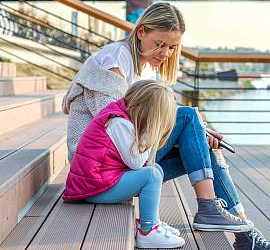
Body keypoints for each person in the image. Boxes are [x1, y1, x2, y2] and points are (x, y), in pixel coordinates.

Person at [62, 1, 270, 249]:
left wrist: (198, 135)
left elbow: (154, 119)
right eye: (159, 44)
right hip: (97, 168)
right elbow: (115, 125)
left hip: (121, 160)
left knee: (202, 142)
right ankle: (211, 209)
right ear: (141, 32)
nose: (165, 53)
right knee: (190, 118)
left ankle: (245, 234)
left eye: (171, 47)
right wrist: (191, 128)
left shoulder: (147, 68)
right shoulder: (114, 62)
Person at [63, 80, 185, 248]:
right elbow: (137, 163)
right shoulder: (119, 123)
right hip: (92, 189)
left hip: (96, 182)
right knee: (151, 174)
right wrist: (150, 132)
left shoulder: (121, 114)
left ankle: (152, 222)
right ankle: (148, 231)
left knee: (156, 169)